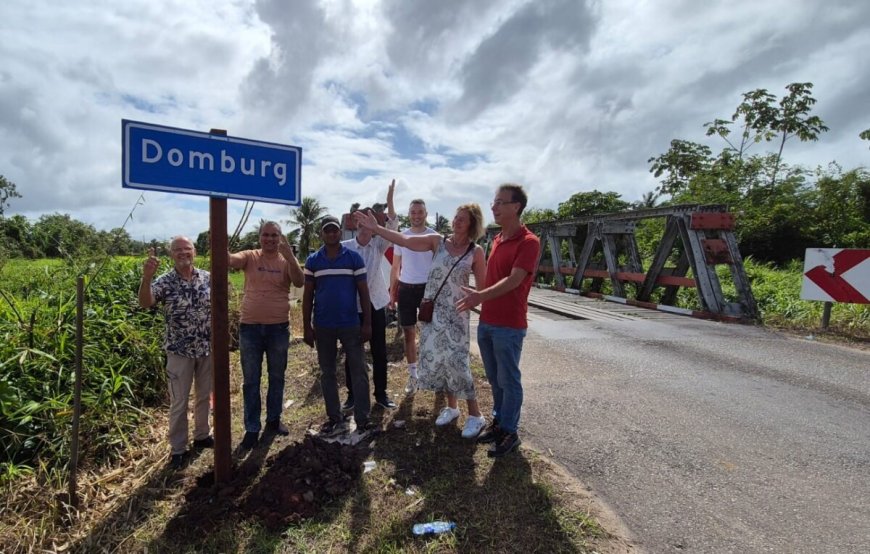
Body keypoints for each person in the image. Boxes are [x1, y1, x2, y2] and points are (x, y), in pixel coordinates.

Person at [356, 204, 488, 438]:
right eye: (456, 217)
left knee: (459, 363)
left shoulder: (475, 251)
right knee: (440, 360)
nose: (456, 222)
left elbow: (484, 287)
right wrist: (377, 228)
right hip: (434, 312)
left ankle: (476, 415)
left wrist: (475, 298)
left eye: (462, 220)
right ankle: (452, 407)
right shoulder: (437, 241)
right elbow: (405, 241)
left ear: (472, 224)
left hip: (457, 315)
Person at [457, 184, 540, 458]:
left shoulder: (529, 242)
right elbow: (494, 279)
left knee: (509, 378)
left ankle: (510, 432)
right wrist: (479, 295)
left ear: (516, 207)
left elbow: (515, 280)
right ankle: (500, 423)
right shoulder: (497, 239)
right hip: (488, 321)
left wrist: (480, 295)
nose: (493, 207)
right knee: (494, 377)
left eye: (500, 202)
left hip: (509, 323)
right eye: (494, 202)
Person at [138, 236, 213, 469]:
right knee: (179, 401)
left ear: (194, 251)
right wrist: (147, 277)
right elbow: (145, 302)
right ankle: (178, 449)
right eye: (177, 250)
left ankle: (202, 435)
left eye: (186, 249)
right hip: (179, 352)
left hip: (206, 349)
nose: (183, 253)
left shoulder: (208, 278)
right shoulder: (164, 281)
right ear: (171, 254)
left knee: (203, 396)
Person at [229, 221, 305, 449]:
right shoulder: (250, 256)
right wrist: (221, 245)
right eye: (266, 235)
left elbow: (300, 281)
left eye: (274, 235)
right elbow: (230, 261)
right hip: (250, 328)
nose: (270, 239)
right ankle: (252, 428)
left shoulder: (286, 260)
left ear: (280, 238)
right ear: (260, 237)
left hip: (278, 328)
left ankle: (273, 420)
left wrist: (291, 257)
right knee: (251, 380)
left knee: (277, 377)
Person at [302, 216, 373, 435]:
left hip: (350, 324)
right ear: (321, 234)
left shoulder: (353, 258)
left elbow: (363, 292)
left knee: (358, 370)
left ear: (340, 233)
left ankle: (363, 419)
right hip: (323, 325)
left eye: (335, 231)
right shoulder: (313, 261)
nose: (331, 234)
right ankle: (334, 417)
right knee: (327, 372)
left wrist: (367, 324)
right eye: (327, 231)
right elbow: (307, 296)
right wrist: (306, 326)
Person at [341, 181, 399, 412]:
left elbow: (393, 226)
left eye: (370, 220)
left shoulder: (378, 245)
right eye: (363, 220)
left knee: (379, 351)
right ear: (356, 223)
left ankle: (381, 394)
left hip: (375, 304)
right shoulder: (346, 248)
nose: (367, 224)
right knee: (352, 351)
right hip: (352, 307)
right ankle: (352, 395)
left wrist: (390, 199)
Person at [389, 198, 439, 395]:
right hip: (407, 289)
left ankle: (434, 374)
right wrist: (393, 292)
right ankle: (413, 375)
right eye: (413, 212)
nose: (416, 216)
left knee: (432, 334)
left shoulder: (435, 237)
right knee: (409, 333)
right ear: (409, 215)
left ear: (426, 214)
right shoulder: (402, 237)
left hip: (428, 290)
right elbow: (395, 267)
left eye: (420, 212)